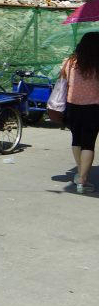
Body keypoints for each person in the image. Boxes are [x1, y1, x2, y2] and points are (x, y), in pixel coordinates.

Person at [62, 31, 99, 193]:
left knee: (76, 140)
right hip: (94, 107)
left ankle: (80, 174)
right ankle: (83, 180)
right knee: (89, 143)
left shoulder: (70, 62)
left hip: (72, 106)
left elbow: (62, 80)